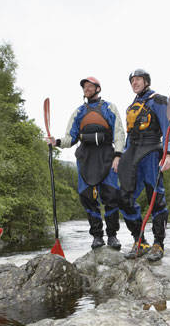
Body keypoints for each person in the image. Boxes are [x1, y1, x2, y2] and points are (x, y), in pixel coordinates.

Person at [47, 76, 125, 249]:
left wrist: (118, 155)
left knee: (111, 196)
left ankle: (112, 235)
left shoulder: (109, 108)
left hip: (106, 155)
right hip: (85, 157)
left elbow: (119, 133)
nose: (87, 89)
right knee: (87, 197)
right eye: (85, 86)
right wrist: (56, 142)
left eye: (90, 86)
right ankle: (97, 236)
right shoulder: (78, 112)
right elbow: (70, 138)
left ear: (98, 88)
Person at [118, 69, 170, 261]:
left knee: (155, 197)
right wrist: (123, 158)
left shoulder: (158, 100)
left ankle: (159, 243)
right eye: (132, 80)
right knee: (124, 198)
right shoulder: (132, 106)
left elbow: (167, 128)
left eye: (138, 79)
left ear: (146, 81)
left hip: (151, 151)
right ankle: (139, 240)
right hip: (132, 153)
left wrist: (169, 154)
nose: (135, 83)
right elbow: (128, 136)